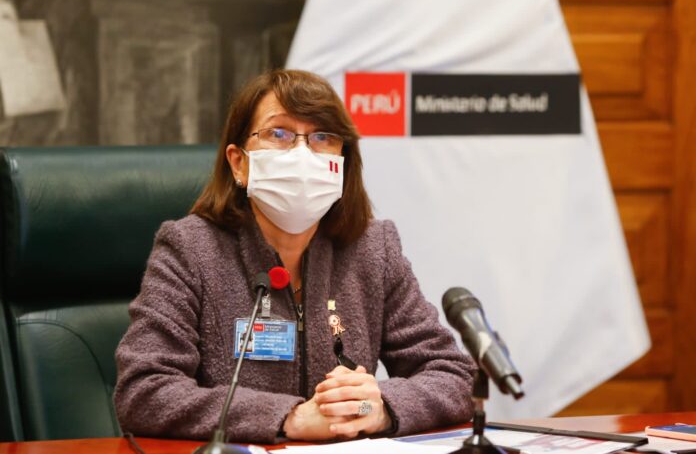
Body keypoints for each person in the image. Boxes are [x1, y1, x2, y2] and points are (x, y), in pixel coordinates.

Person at [114, 69, 475, 444]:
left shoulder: (372, 248)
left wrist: (379, 408)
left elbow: (454, 376)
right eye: (279, 133)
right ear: (239, 163)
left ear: (343, 159)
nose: (303, 154)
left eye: (322, 137)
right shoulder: (191, 249)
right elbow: (144, 391)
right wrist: (290, 418)